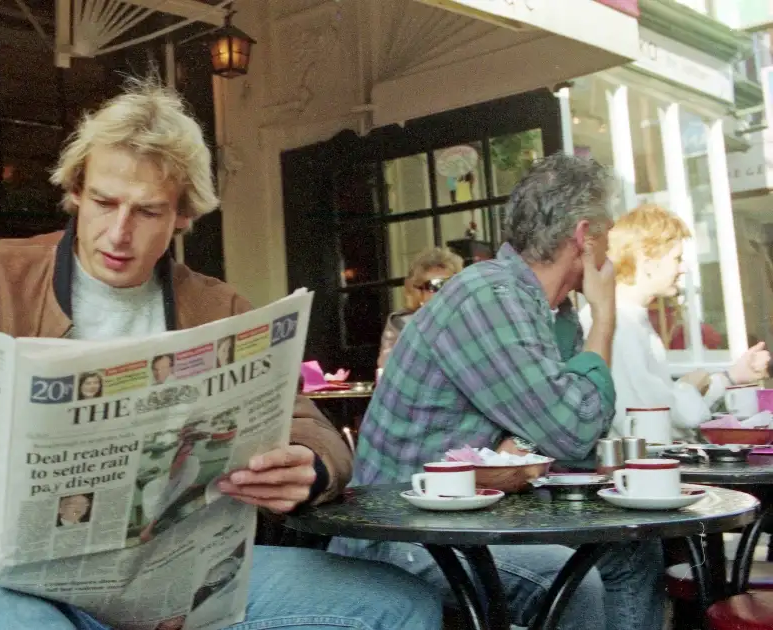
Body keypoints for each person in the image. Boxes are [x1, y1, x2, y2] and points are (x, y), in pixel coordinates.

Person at [0, 76, 441, 630]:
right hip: (3, 583)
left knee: (397, 604)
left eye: (148, 212)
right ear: (74, 193)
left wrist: (311, 466)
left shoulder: (219, 307)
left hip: (176, 586)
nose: (118, 232)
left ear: (182, 217)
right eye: (103, 202)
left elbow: (310, 427)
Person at [330, 154, 666, 630]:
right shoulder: (487, 296)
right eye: (606, 236)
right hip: (401, 534)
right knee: (575, 585)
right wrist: (605, 319)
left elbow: (566, 440)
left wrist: (530, 444)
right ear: (583, 237)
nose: (609, 253)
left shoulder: (544, 310)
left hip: (464, 520)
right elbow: (573, 429)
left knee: (631, 551)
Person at [579, 204, 771, 440]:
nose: (683, 269)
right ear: (648, 263)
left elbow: (670, 408)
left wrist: (729, 377)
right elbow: (657, 418)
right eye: (677, 258)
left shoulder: (631, 318)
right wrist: (691, 386)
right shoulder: (619, 324)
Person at [376, 247, 464, 371]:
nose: (444, 291)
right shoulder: (402, 323)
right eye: (435, 285)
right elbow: (388, 368)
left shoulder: (468, 318)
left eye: (450, 283)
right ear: (417, 290)